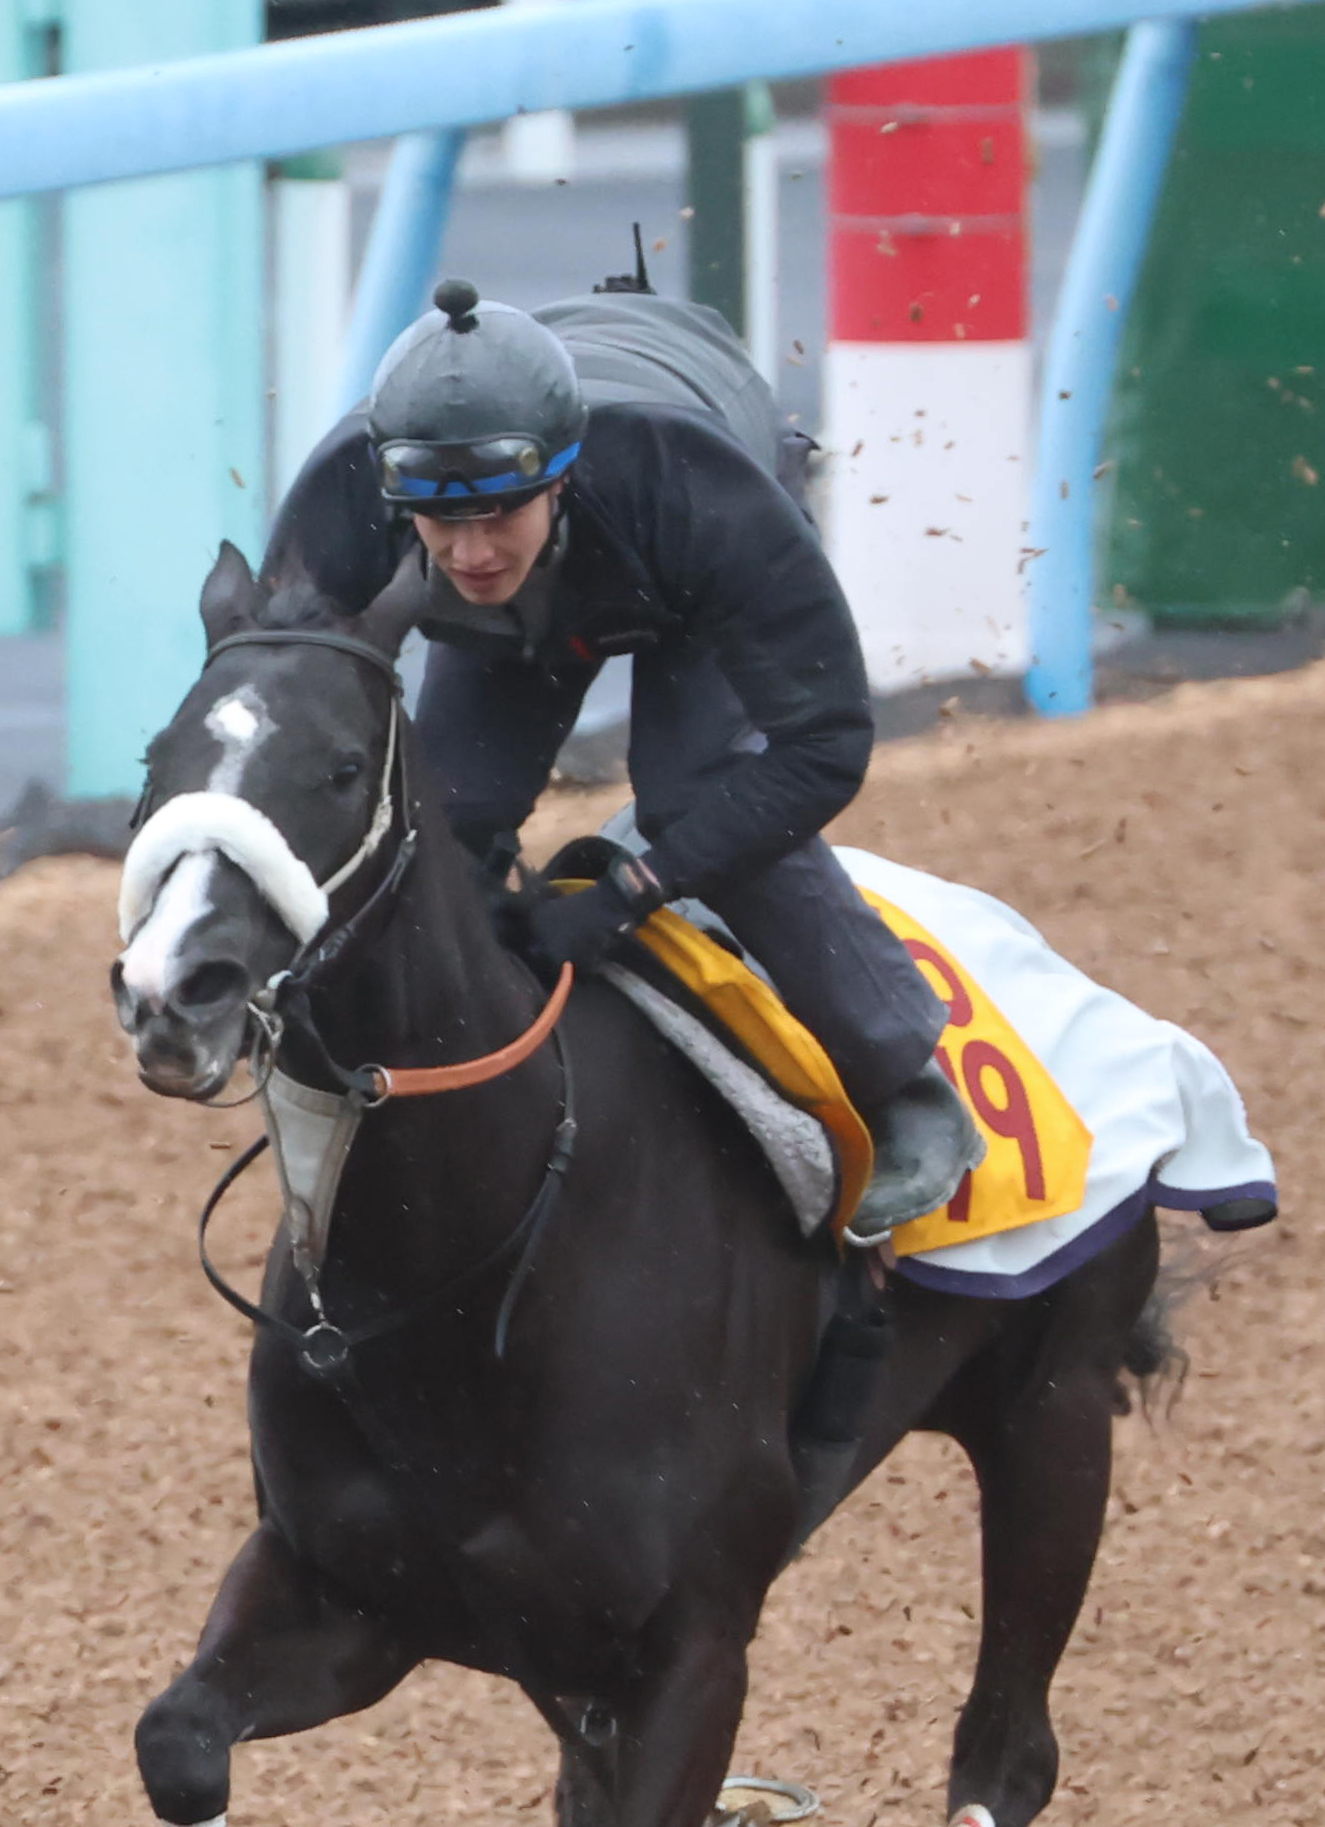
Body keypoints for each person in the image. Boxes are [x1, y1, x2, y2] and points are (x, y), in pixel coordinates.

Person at [272, 275, 977, 1238]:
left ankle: (900, 1079)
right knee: (442, 817)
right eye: (441, 524)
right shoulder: (344, 497)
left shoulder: (694, 488)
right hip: (571, 553)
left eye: (500, 514)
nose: (471, 553)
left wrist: (631, 892)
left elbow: (826, 747)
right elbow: (281, 722)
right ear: (396, 498)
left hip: (679, 531)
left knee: (692, 788)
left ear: (559, 476)